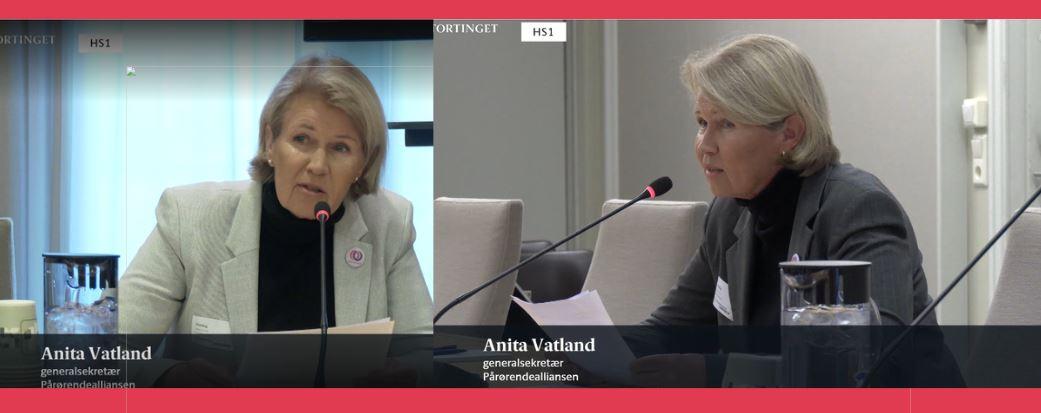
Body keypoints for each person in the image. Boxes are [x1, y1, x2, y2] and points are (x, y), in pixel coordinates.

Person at [629, 34, 941, 386]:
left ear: (789, 133)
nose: (705, 145)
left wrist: (718, 372)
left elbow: (876, 362)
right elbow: (668, 331)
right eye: (702, 123)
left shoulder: (857, 207)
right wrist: (576, 349)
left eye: (726, 124)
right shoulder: (728, 214)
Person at [119, 56, 433, 337]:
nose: (318, 165)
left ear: (362, 164)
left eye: (340, 148)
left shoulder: (389, 223)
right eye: (302, 139)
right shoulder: (188, 218)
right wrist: (171, 376)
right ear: (271, 142)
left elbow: (422, 354)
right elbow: (109, 347)